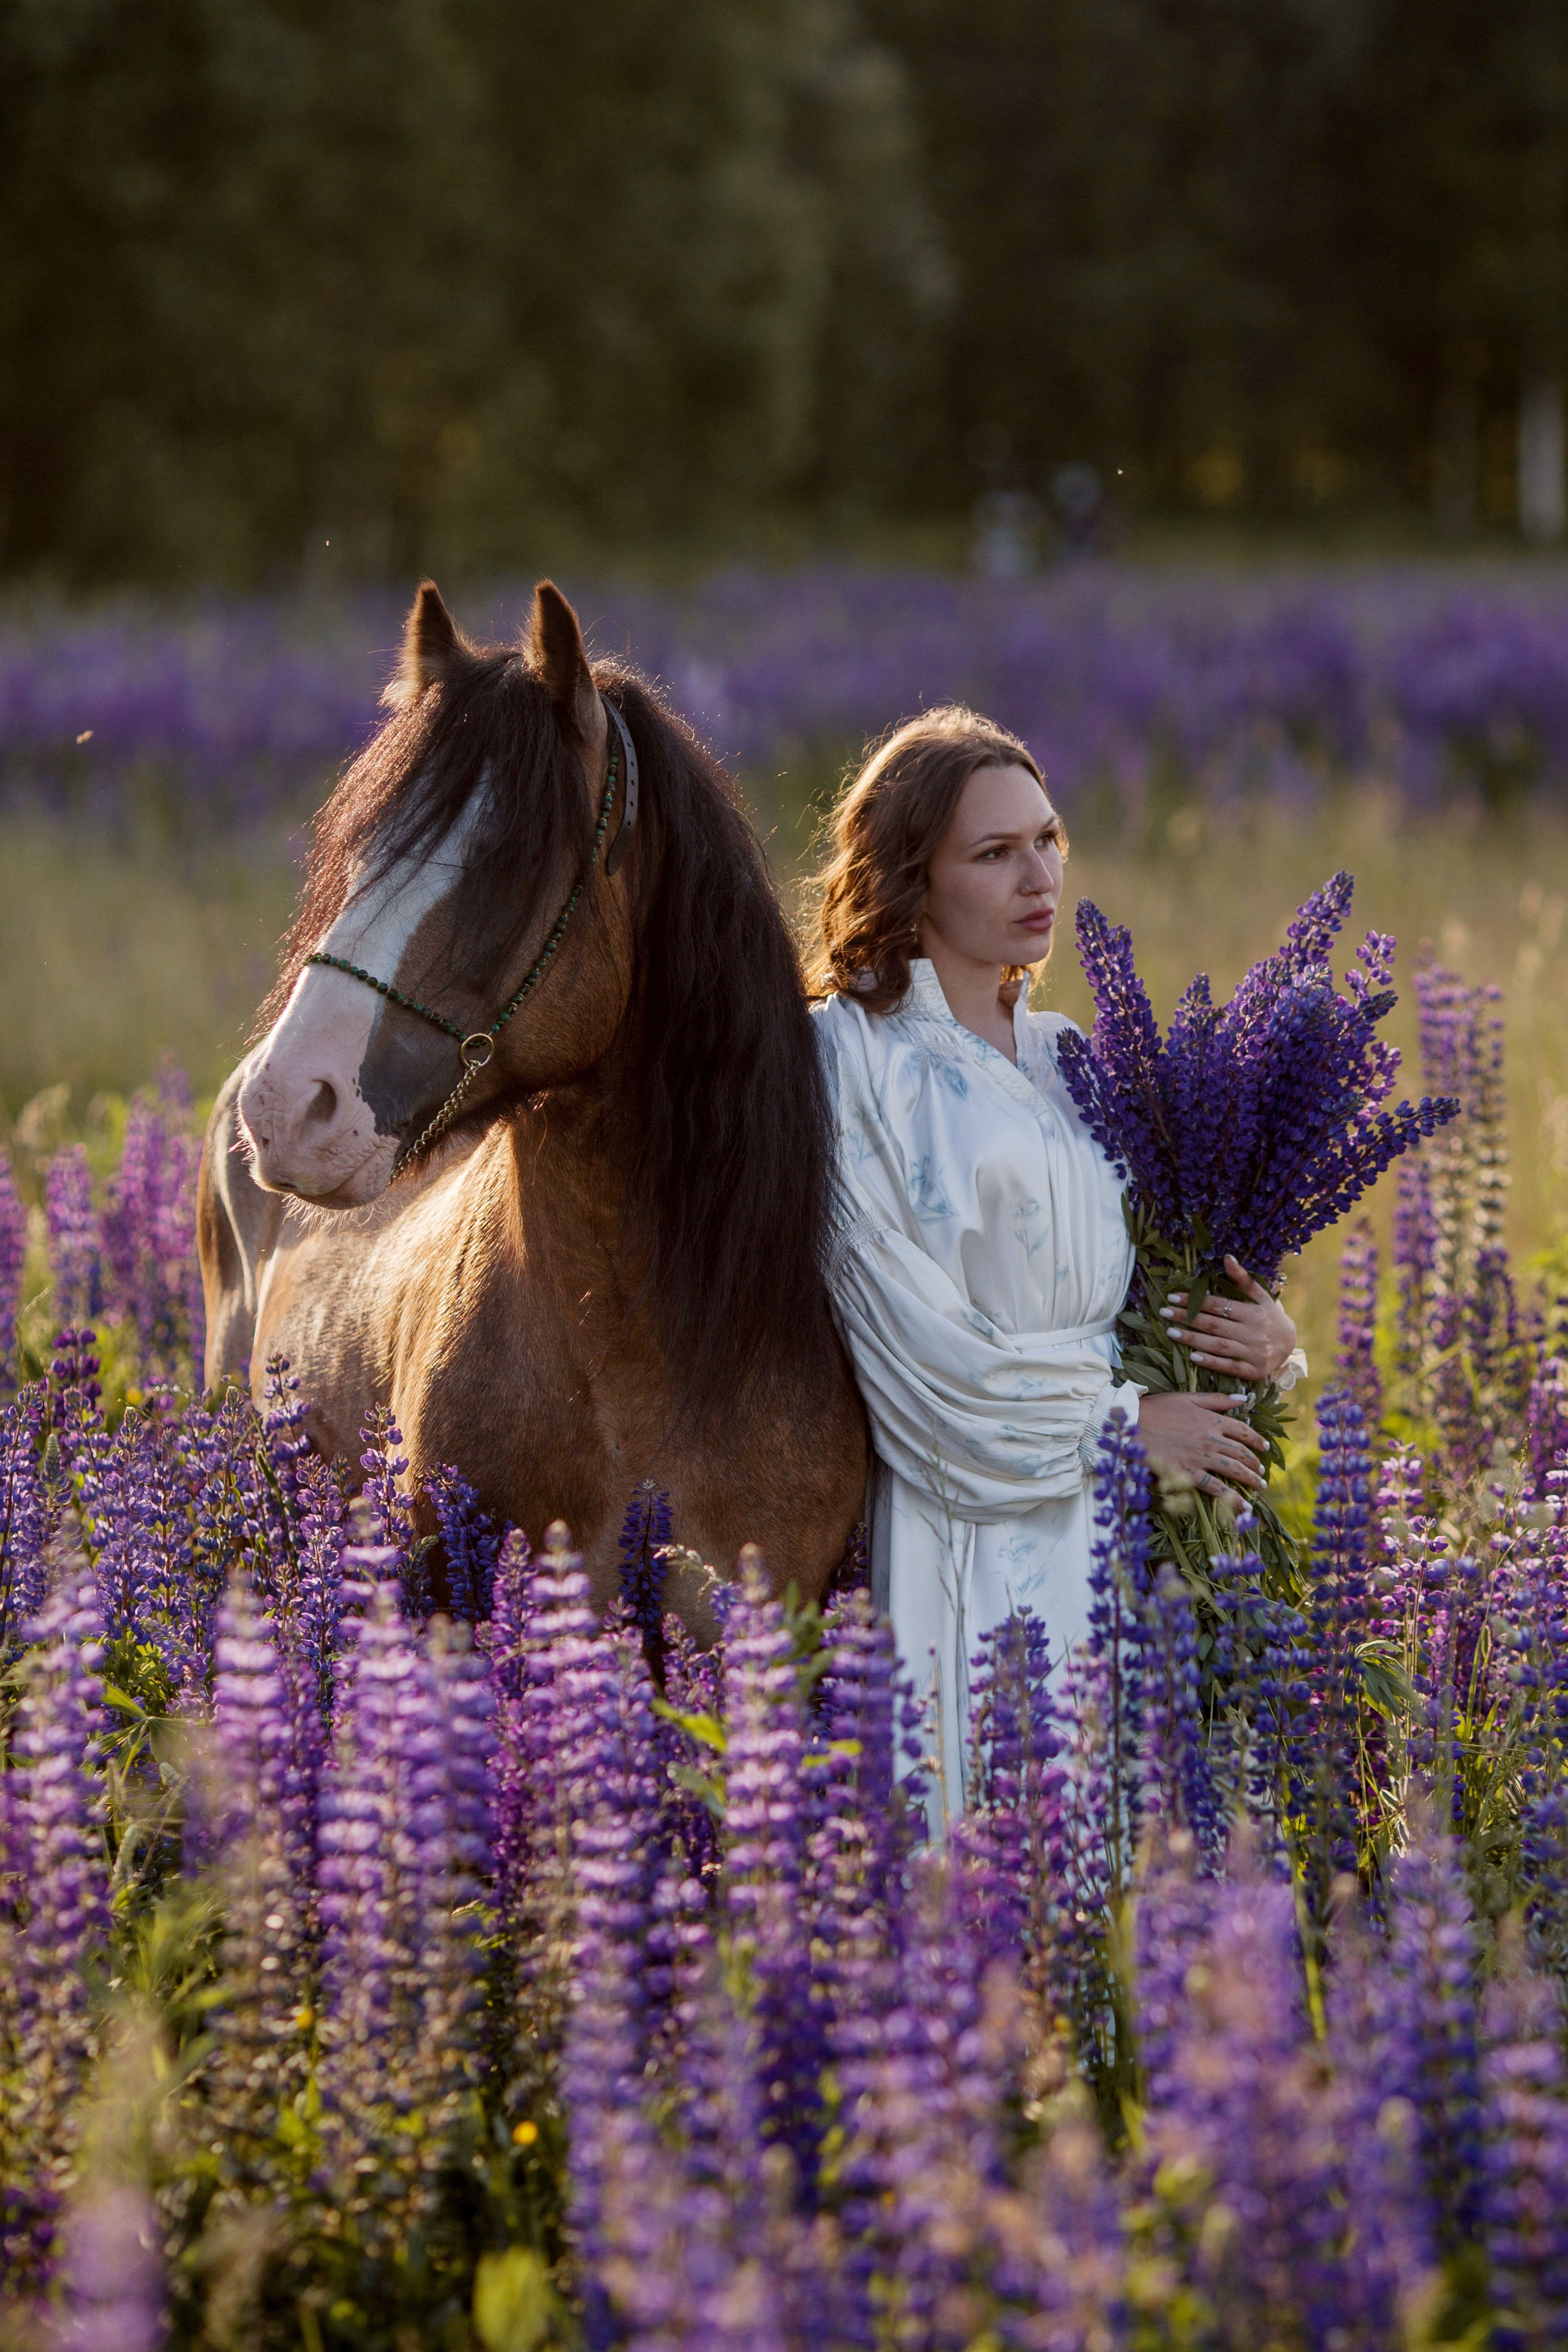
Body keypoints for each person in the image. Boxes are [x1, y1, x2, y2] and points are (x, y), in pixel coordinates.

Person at [809, 707, 1303, 1825]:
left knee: (1149, 1883)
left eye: (1049, 840)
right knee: (999, 1865)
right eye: (994, 853)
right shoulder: (846, 1058)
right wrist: (1120, 1426)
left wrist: (1267, 1343)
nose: (1039, 877)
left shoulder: (1075, 1056)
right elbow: (911, 1349)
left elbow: (1153, 1290)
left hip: (1133, 1533)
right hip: (970, 1523)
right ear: (907, 878)